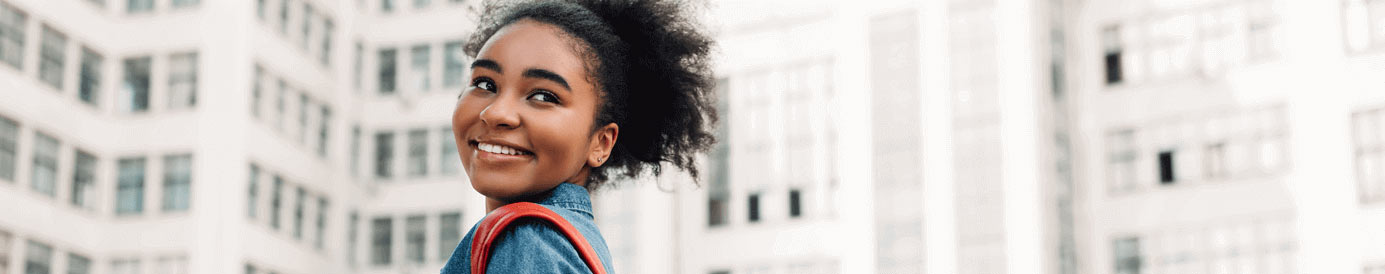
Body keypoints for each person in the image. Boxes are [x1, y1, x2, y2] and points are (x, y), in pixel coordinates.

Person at [440, 0, 717, 272]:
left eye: (543, 96)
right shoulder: (569, 241)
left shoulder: (528, 242)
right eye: (484, 83)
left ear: (601, 143)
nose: (496, 113)